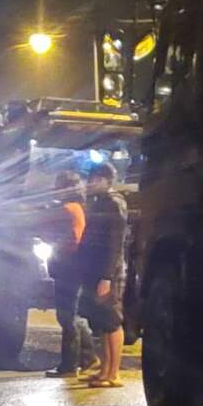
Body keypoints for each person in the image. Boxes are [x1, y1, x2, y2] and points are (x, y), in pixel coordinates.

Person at [77, 163, 128, 389]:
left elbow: (115, 244)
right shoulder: (100, 203)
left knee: (112, 322)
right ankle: (104, 369)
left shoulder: (114, 204)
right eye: (90, 179)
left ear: (107, 180)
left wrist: (107, 277)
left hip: (107, 273)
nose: (91, 183)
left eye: (95, 179)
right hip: (94, 270)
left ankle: (113, 372)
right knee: (101, 321)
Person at [44, 170, 96, 379]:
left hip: (67, 268)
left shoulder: (68, 209)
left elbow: (73, 239)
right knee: (73, 314)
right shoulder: (78, 208)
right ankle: (88, 356)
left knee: (66, 316)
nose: (55, 189)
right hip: (74, 268)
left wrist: (54, 244)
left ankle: (69, 365)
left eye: (59, 185)